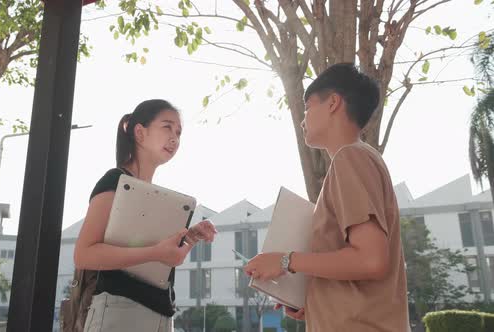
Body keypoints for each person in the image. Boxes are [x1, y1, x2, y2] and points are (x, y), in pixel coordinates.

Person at [243, 63, 409, 331]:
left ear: (333, 103)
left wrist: (285, 260)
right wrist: (314, 301)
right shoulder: (361, 158)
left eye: (308, 107)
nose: (302, 118)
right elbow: (359, 267)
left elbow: (371, 260)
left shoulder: (350, 158)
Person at [73, 99, 217, 332]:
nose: (175, 137)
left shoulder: (158, 197)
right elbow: (84, 254)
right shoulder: (115, 181)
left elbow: (150, 251)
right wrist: (156, 252)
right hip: (120, 311)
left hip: (160, 312)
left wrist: (190, 236)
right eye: (167, 127)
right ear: (140, 132)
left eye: (179, 132)